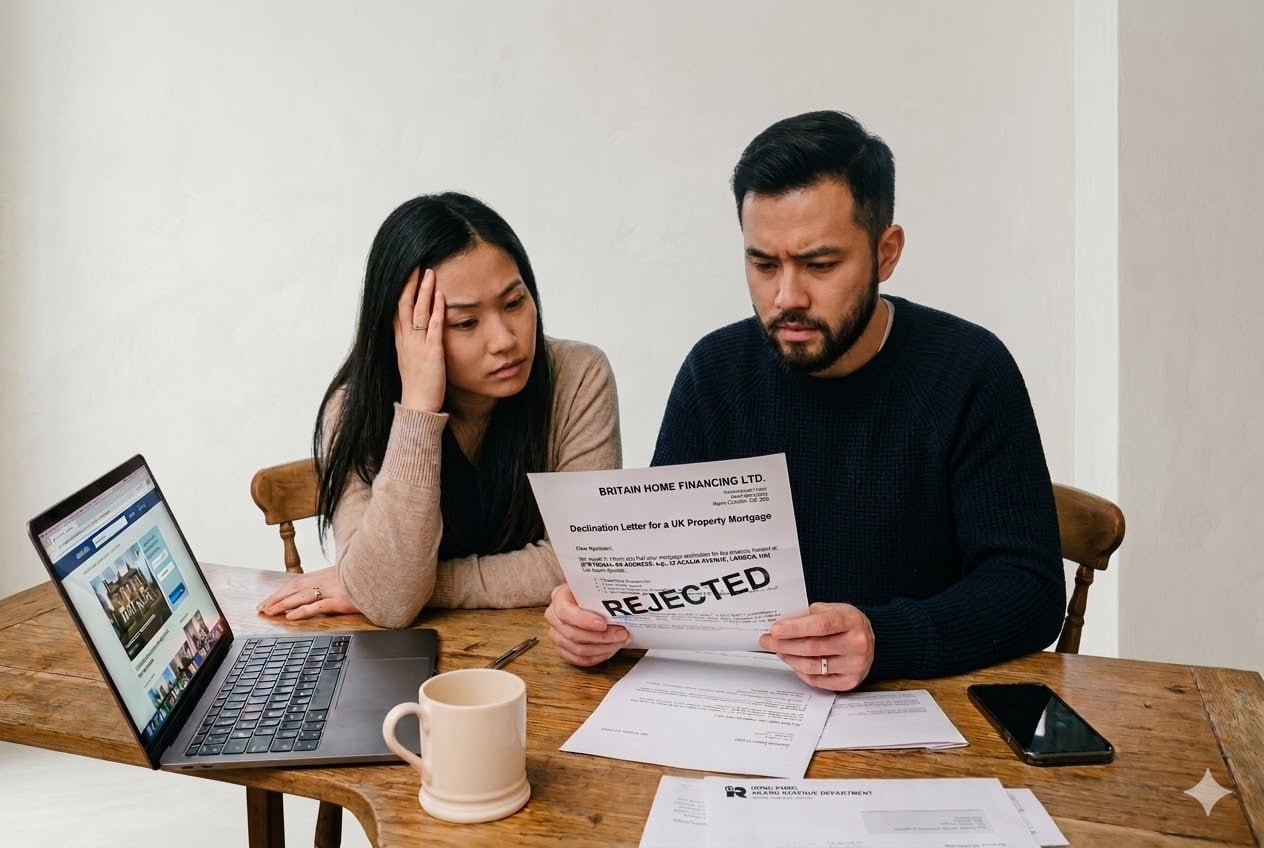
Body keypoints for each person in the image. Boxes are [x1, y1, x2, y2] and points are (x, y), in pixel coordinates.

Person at [545, 111, 1064, 691]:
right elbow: (666, 568)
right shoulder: (715, 371)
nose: (787, 296)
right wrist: (596, 616)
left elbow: (1029, 590)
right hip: (742, 704)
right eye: (763, 264)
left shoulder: (969, 369)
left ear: (886, 253)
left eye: (820, 265)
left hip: (917, 706)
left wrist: (883, 638)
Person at [259, 192, 621, 628]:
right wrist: (417, 409)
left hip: (548, 653)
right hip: (416, 669)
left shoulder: (577, 376)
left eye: (514, 303)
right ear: (401, 330)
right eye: (465, 323)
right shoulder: (356, 409)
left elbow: (590, 565)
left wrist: (423, 584)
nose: (505, 339)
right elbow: (390, 601)